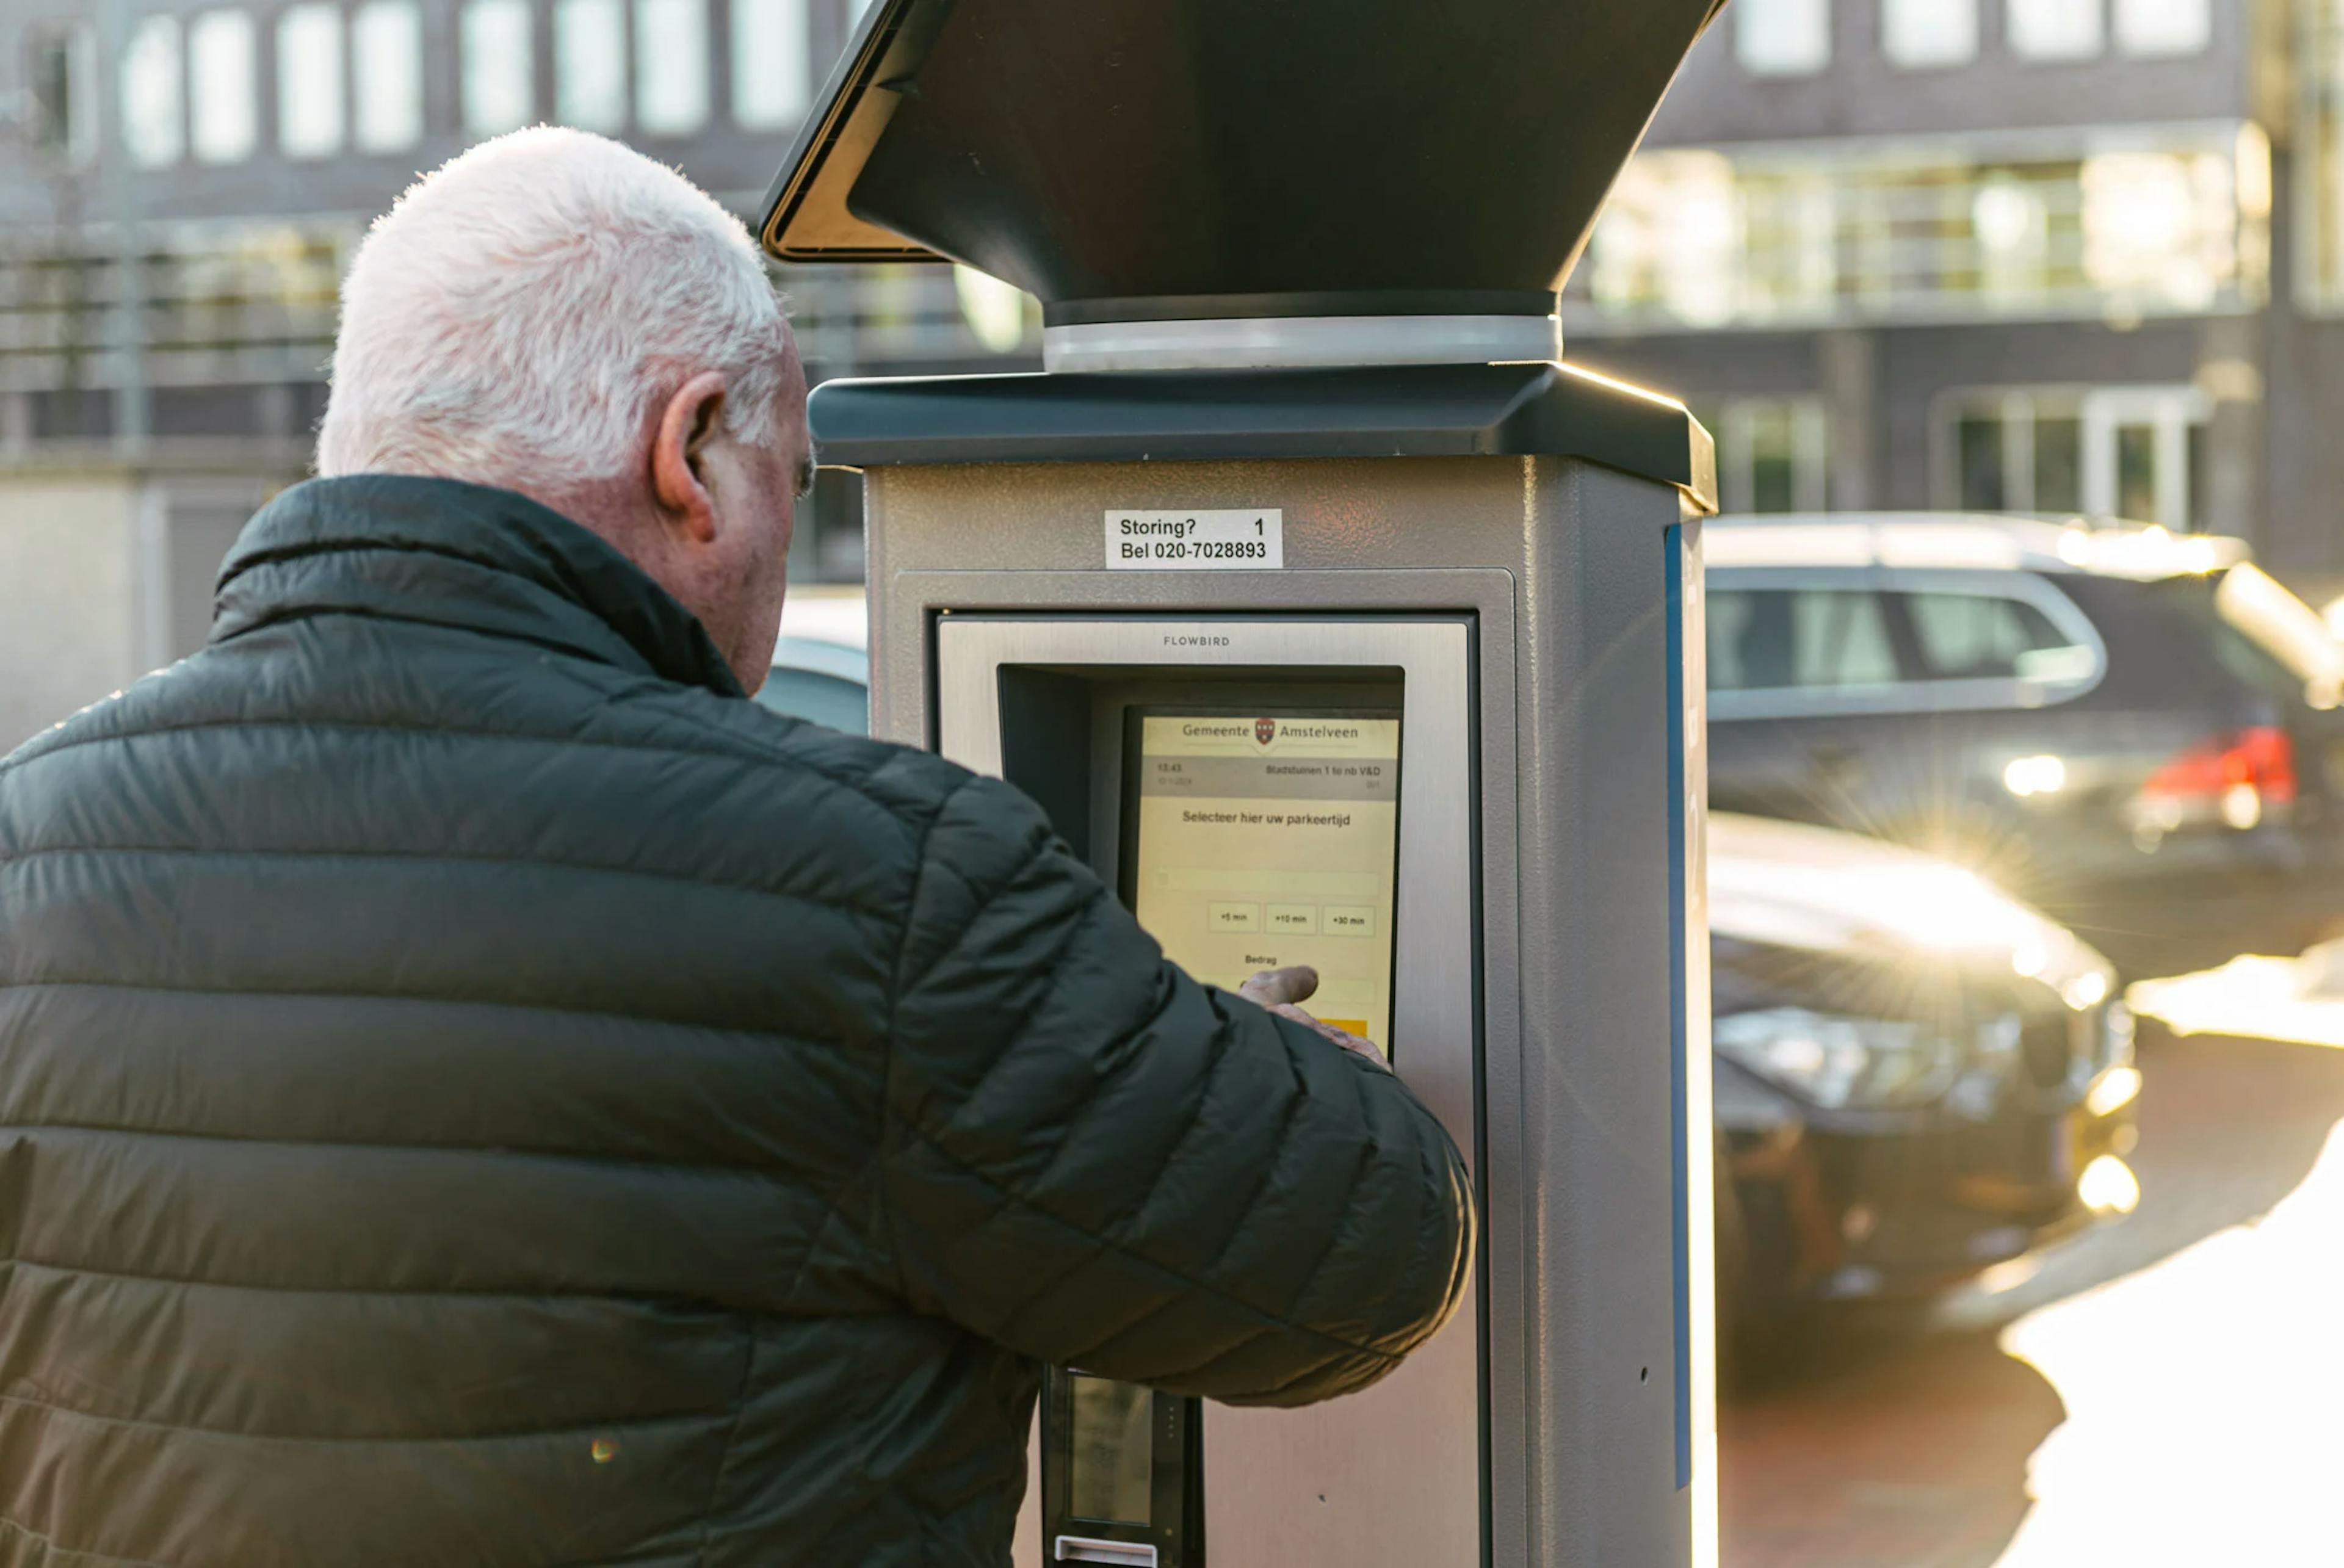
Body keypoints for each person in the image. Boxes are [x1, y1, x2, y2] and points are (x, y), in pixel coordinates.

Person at [0, 129, 1472, 1565]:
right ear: (692, 449)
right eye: (795, 475)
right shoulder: (877, 889)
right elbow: (1363, 1251)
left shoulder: (27, 845)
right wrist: (1249, 1054)